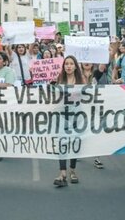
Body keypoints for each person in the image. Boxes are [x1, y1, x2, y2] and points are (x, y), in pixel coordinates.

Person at [54, 55, 83, 187]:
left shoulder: (81, 82)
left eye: (71, 64)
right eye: (66, 64)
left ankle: (73, 170)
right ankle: (62, 173)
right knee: (62, 143)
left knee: (74, 143)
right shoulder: (59, 80)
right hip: (62, 116)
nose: (69, 66)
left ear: (75, 66)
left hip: (77, 116)